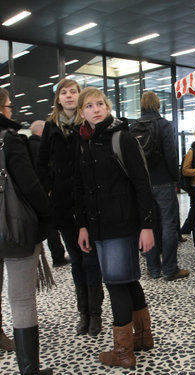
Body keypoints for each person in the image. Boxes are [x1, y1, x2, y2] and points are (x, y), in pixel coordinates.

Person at [75, 87, 155, 369]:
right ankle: (143, 337)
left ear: (107, 107)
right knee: (129, 280)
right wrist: (83, 226)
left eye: (100, 104)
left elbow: (142, 183)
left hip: (120, 224)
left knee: (116, 284)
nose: (96, 109)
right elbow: (84, 189)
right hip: (98, 226)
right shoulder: (85, 140)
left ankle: (122, 352)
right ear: (81, 112)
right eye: (89, 106)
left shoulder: (121, 137)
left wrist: (147, 226)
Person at [36, 79, 104, 336]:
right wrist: (49, 190)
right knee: (76, 259)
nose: (68, 96)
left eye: (72, 91)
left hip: (88, 202)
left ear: (79, 96)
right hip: (63, 204)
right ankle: (83, 312)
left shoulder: (87, 125)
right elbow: (41, 164)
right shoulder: (51, 127)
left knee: (91, 259)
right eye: (63, 92)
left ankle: (96, 313)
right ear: (58, 99)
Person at [0, 87, 52, 374]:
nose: (11, 111)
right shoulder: (10, 140)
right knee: (20, 299)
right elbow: (30, 185)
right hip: (15, 229)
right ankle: (29, 369)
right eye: (8, 106)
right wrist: (47, 216)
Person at [138, 91, 189, 281]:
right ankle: (170, 269)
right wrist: (175, 178)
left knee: (148, 225)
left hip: (143, 182)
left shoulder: (134, 126)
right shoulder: (164, 125)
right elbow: (170, 154)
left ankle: (153, 269)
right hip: (163, 181)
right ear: (158, 104)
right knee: (169, 225)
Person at [29, 120, 69, 268]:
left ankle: (57, 255)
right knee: (53, 225)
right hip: (49, 191)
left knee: (50, 225)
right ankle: (58, 255)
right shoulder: (43, 147)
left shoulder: (27, 146)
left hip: (36, 192)